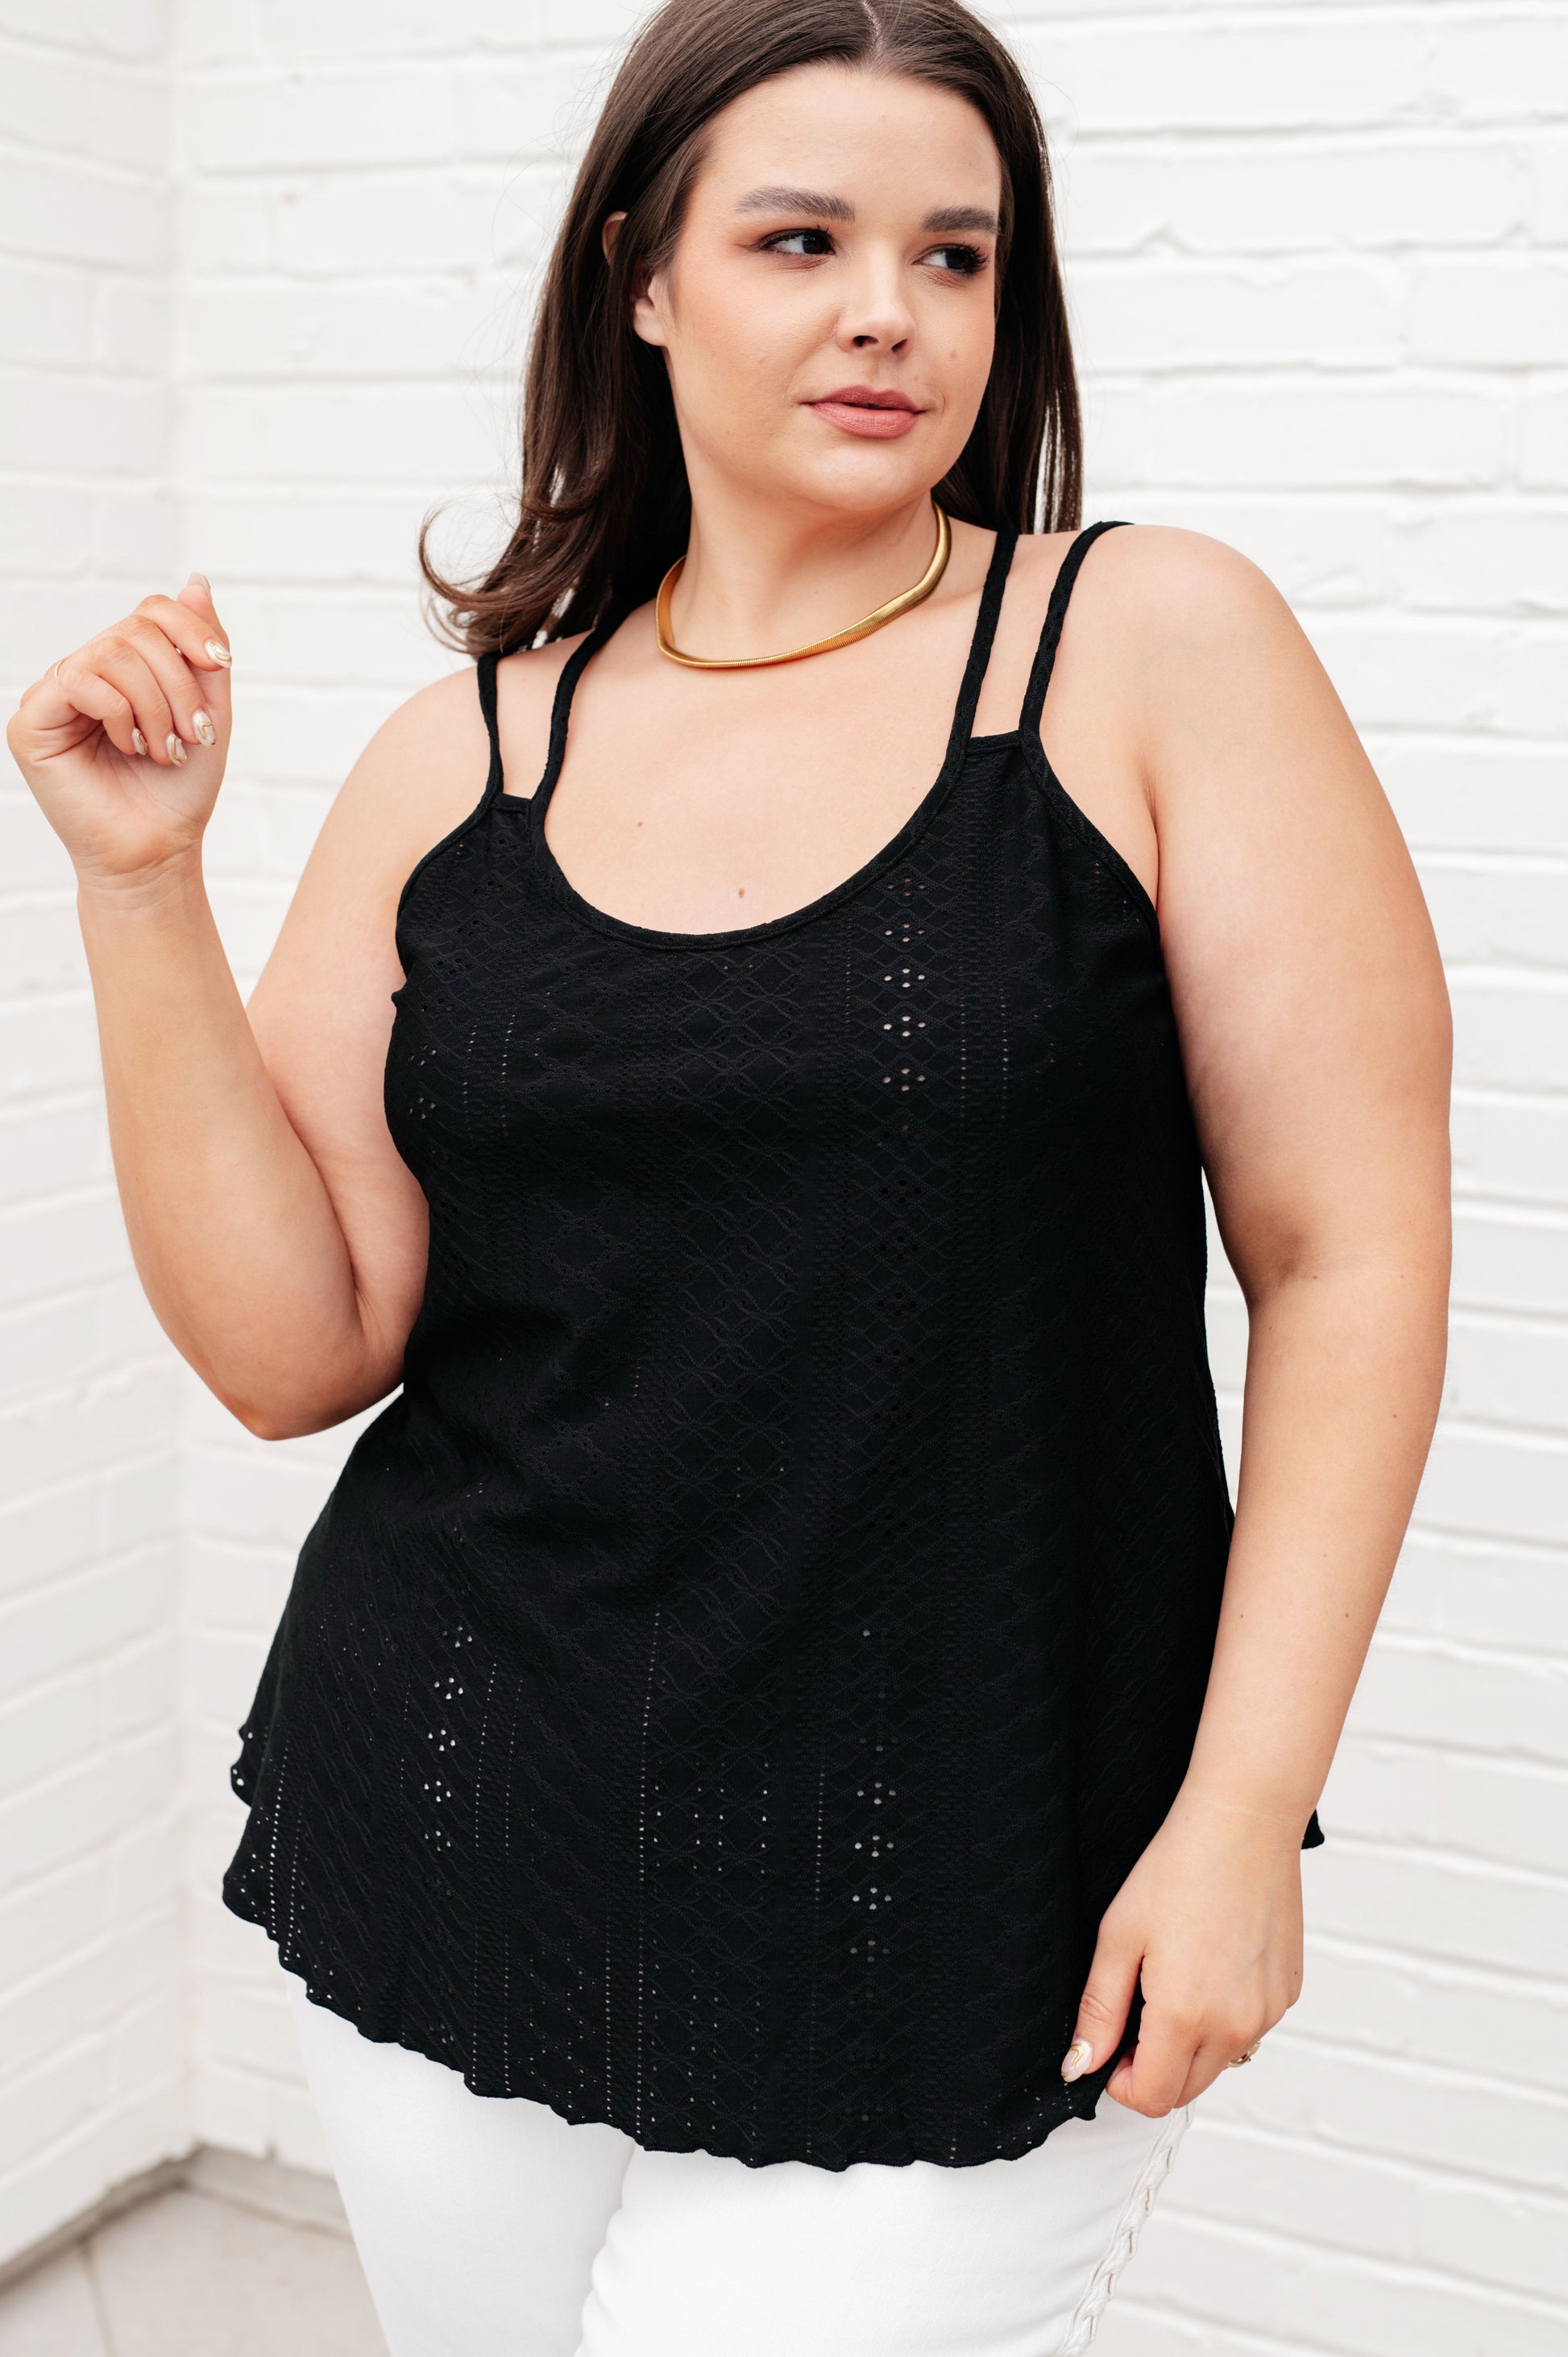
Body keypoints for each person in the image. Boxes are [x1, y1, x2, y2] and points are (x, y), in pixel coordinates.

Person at [7, 1, 1452, 2351]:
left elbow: (1348, 1253)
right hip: (459, 1818)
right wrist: (141, 884)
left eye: (955, 254)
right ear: (645, 277)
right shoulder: (458, 758)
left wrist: (1239, 1811)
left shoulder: (1145, 648)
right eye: (801, 240)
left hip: (969, 1870)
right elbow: (294, 1352)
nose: (892, 310)